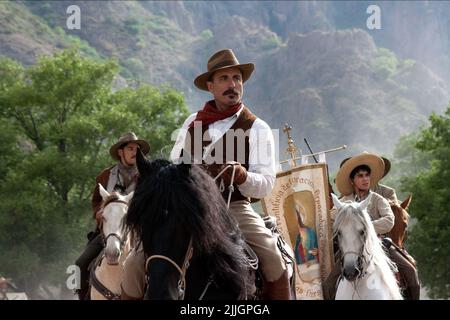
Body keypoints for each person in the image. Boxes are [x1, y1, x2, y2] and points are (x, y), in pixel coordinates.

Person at [169, 48, 291, 299]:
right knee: (139, 261)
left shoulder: (258, 127)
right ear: (210, 86)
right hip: (191, 209)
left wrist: (242, 176)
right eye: (224, 79)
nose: (232, 84)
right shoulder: (192, 122)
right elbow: (174, 164)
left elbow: (266, 184)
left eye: (236, 78)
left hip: (234, 207)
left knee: (273, 259)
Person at [74, 132, 150, 300]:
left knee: (158, 264)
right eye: (130, 148)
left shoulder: (147, 177)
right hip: (109, 231)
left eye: (137, 149)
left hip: (139, 232)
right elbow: (95, 201)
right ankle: (83, 296)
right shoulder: (105, 175)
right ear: (120, 152)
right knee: (80, 264)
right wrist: (99, 213)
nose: (135, 152)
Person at [323, 152, 395, 299]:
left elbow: (389, 220)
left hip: (379, 244)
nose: (365, 179)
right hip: (348, 248)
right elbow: (329, 223)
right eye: (360, 176)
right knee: (328, 284)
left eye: (367, 175)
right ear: (352, 180)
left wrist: (364, 228)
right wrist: (346, 230)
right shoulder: (343, 203)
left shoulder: (377, 199)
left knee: (409, 272)